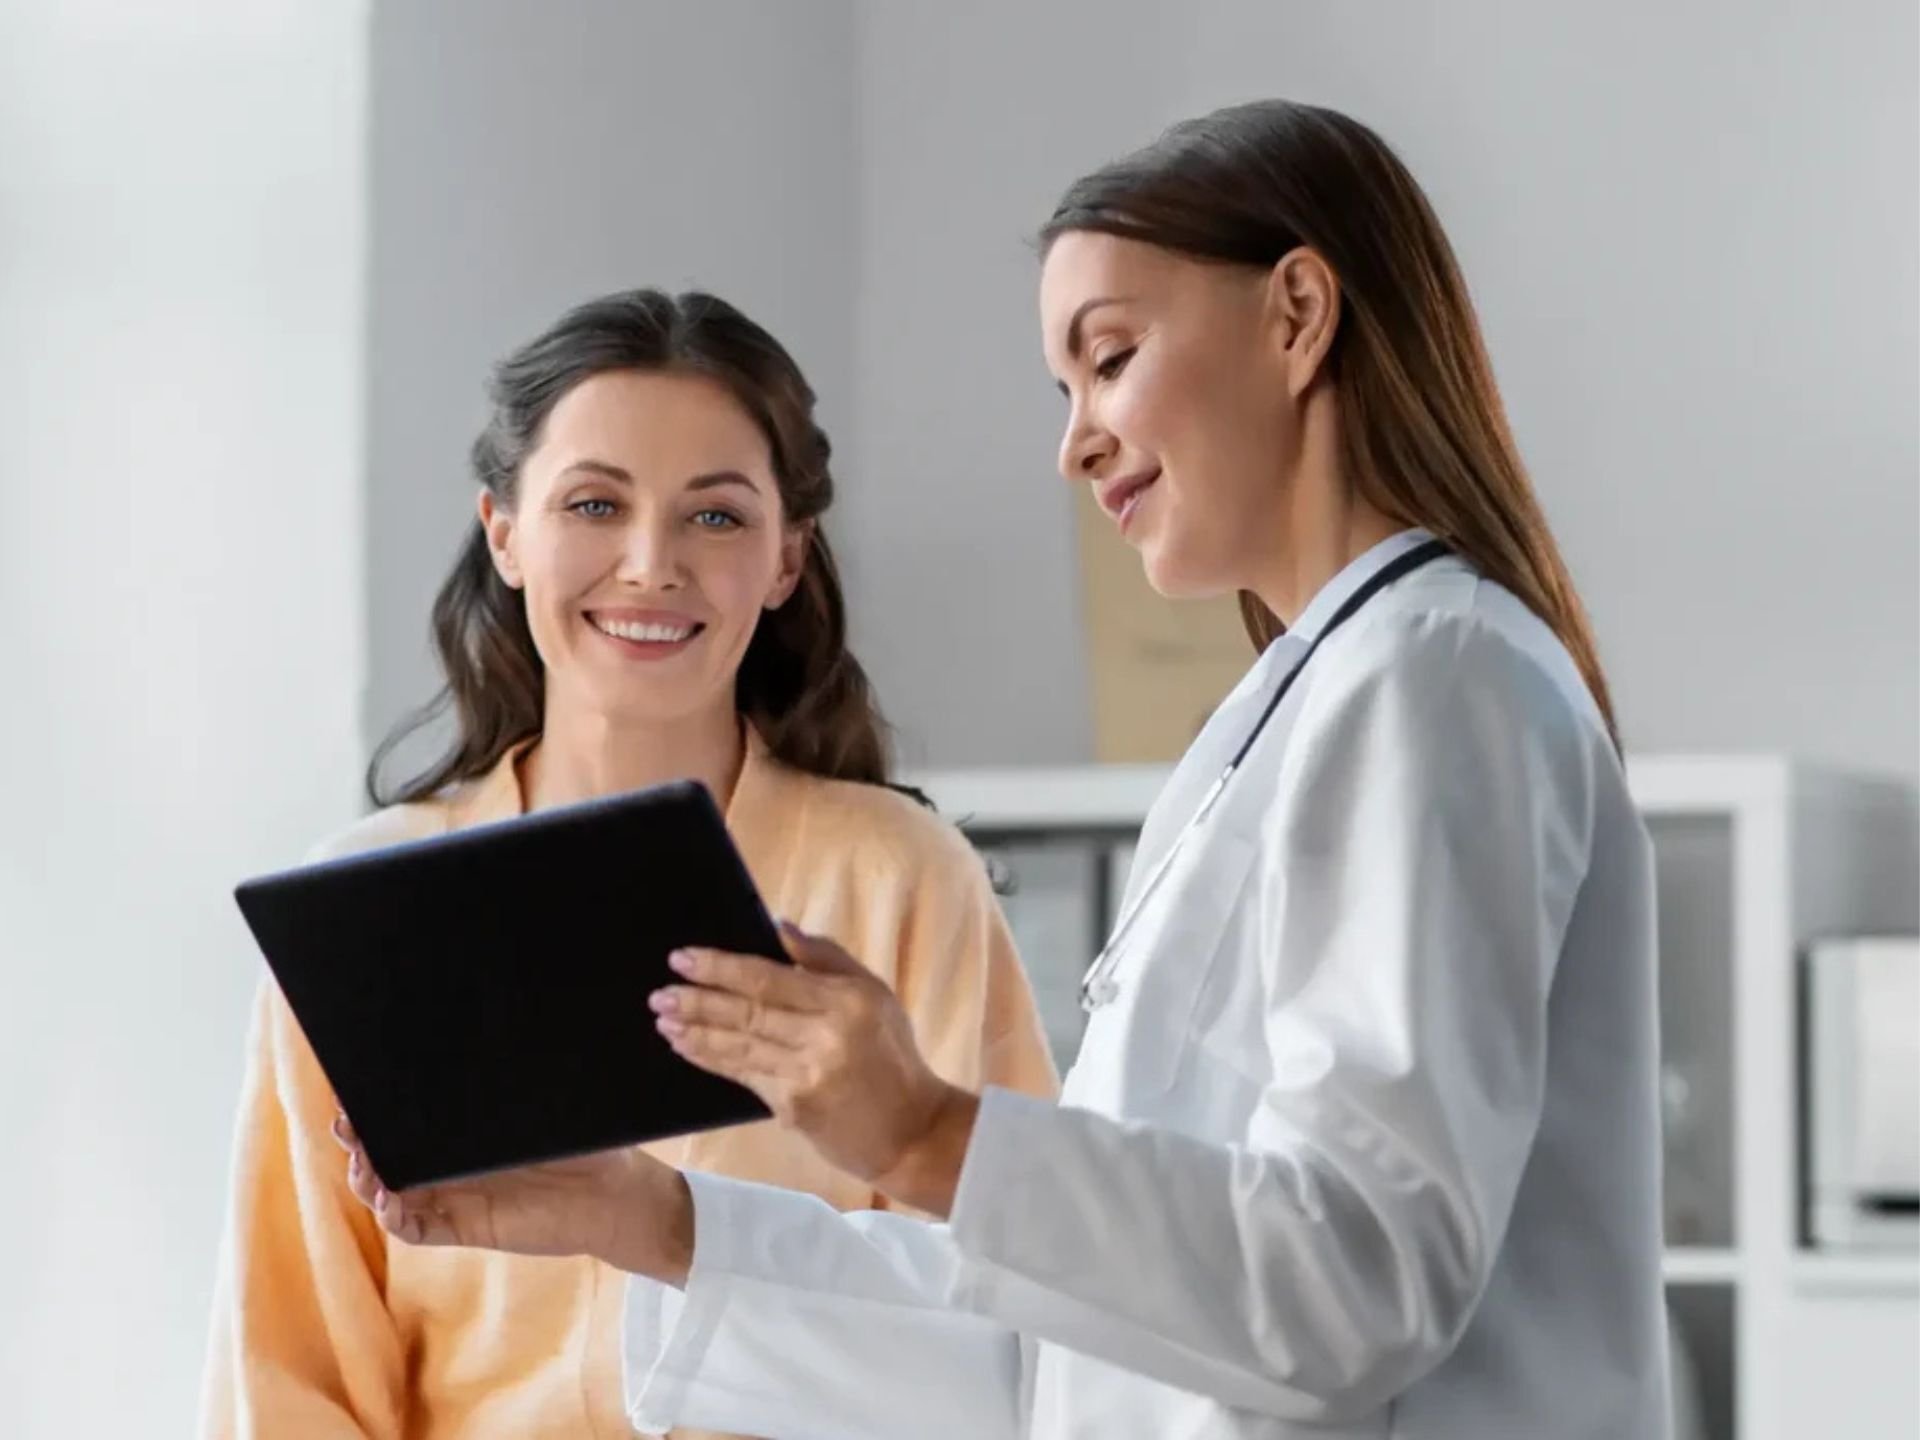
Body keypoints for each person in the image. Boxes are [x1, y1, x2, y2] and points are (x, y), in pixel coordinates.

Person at [341, 101, 1667, 1439]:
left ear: (1298, 313)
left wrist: (926, 1133)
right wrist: (653, 1220)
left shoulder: (1433, 679)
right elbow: (1054, 1365)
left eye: (1111, 358)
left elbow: (1359, 1282)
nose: (1075, 440)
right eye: (1066, 388)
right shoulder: (1296, 716)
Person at [198, 288, 1059, 1440]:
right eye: (595, 504)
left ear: (787, 558)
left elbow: (1019, 1314)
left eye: (715, 518)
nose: (651, 565)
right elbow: (286, 1372)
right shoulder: (369, 910)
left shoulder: (903, 881)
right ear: (504, 530)